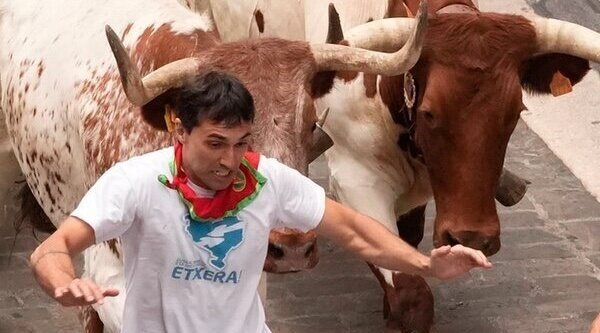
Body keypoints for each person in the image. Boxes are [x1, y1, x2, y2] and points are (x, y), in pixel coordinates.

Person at [30, 71, 492, 333]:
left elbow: (351, 229)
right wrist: (62, 283)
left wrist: (425, 265)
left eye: (241, 142)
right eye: (214, 143)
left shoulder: (266, 179)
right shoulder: (135, 182)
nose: (230, 160)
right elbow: (52, 249)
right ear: (178, 129)